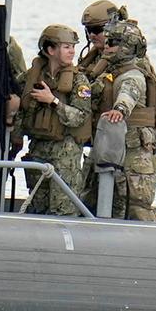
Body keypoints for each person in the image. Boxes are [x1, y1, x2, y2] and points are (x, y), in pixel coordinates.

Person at [16, 24, 93, 216]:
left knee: (63, 209)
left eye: (73, 47)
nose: (72, 51)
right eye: (66, 46)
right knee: (37, 208)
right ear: (50, 50)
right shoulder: (33, 75)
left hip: (64, 154)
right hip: (38, 148)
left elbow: (80, 117)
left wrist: (53, 101)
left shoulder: (78, 81)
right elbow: (16, 94)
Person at [88, 20, 156, 220]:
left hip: (134, 154)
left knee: (135, 206)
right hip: (113, 149)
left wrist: (120, 109)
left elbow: (129, 93)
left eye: (112, 43)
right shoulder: (109, 72)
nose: (106, 47)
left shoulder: (132, 75)